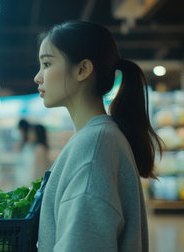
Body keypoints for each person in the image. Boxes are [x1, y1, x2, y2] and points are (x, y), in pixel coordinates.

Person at [33, 21, 163, 251]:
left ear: (82, 69)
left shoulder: (93, 148)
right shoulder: (99, 137)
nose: (38, 77)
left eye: (46, 64)